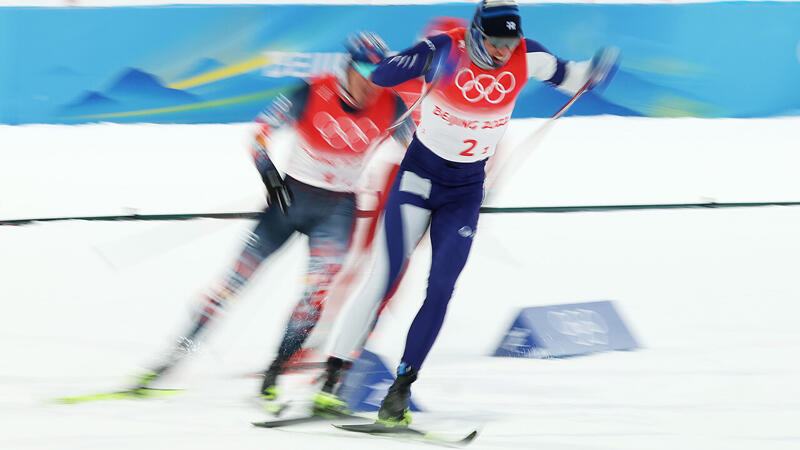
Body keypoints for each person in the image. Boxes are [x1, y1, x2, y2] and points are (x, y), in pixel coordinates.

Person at [313, 0, 620, 425]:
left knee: (441, 288)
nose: (501, 51)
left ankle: (400, 389)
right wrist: (425, 64)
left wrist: (597, 71)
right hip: (418, 181)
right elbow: (384, 74)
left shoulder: (526, 55)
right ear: (477, 33)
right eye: (494, 41)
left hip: (464, 192)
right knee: (383, 278)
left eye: (508, 41)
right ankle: (331, 378)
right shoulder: (445, 48)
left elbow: (573, 76)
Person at [133, 32, 414, 414]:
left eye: (378, 74)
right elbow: (260, 134)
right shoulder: (310, 92)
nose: (370, 82)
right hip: (288, 201)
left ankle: (274, 373)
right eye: (363, 71)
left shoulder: (392, 105)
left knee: (315, 295)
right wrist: (269, 174)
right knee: (231, 285)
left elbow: (420, 151)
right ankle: (172, 361)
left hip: (338, 211)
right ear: (347, 67)